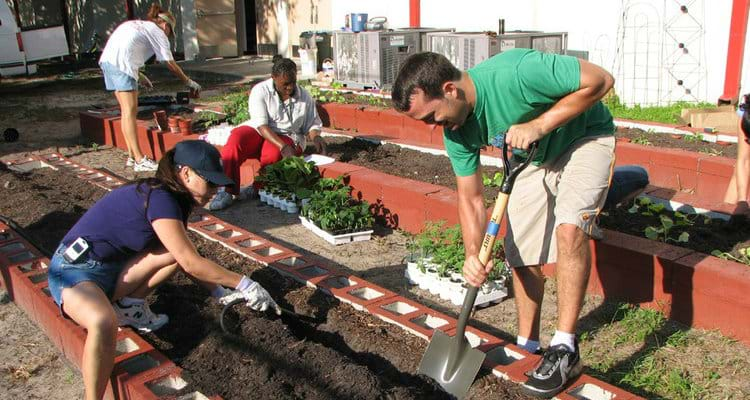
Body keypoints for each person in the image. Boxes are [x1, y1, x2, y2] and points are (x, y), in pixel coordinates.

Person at [392, 50, 615, 398]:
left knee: (569, 229)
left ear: (450, 89)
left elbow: (601, 80)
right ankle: (528, 344)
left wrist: (539, 125)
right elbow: (471, 197)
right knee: (521, 253)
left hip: (584, 138)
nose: (433, 127)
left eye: (432, 117)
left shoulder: (518, 73)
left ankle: (565, 347)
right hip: (532, 157)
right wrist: (472, 255)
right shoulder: (456, 131)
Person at [47, 140, 281, 400]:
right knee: (102, 322)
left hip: (113, 272)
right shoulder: (160, 199)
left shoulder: (173, 198)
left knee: (175, 252)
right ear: (186, 174)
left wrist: (218, 291)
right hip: (75, 271)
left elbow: (184, 257)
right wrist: (245, 284)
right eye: (211, 182)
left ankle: (129, 307)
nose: (215, 190)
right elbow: (191, 263)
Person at [209, 56, 326, 210]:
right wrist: (283, 146)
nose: (290, 88)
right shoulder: (260, 91)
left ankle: (258, 187)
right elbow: (261, 125)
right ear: (273, 78)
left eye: (292, 82)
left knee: (272, 154)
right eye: (285, 84)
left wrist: (316, 136)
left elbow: (312, 123)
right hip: (261, 129)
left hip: (288, 134)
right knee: (236, 139)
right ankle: (228, 189)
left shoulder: (304, 96)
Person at [98, 3, 202, 172]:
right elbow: (170, 64)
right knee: (130, 113)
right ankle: (139, 160)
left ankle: (132, 157)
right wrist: (188, 81)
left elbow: (126, 48)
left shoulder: (138, 25)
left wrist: (140, 75)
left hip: (108, 63)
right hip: (123, 66)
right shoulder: (157, 32)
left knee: (126, 113)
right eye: (170, 32)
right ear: (165, 25)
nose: (168, 35)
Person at [724, 93, 750, 215]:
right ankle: (728, 218)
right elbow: (744, 160)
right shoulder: (746, 111)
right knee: (739, 176)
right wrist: (742, 200)